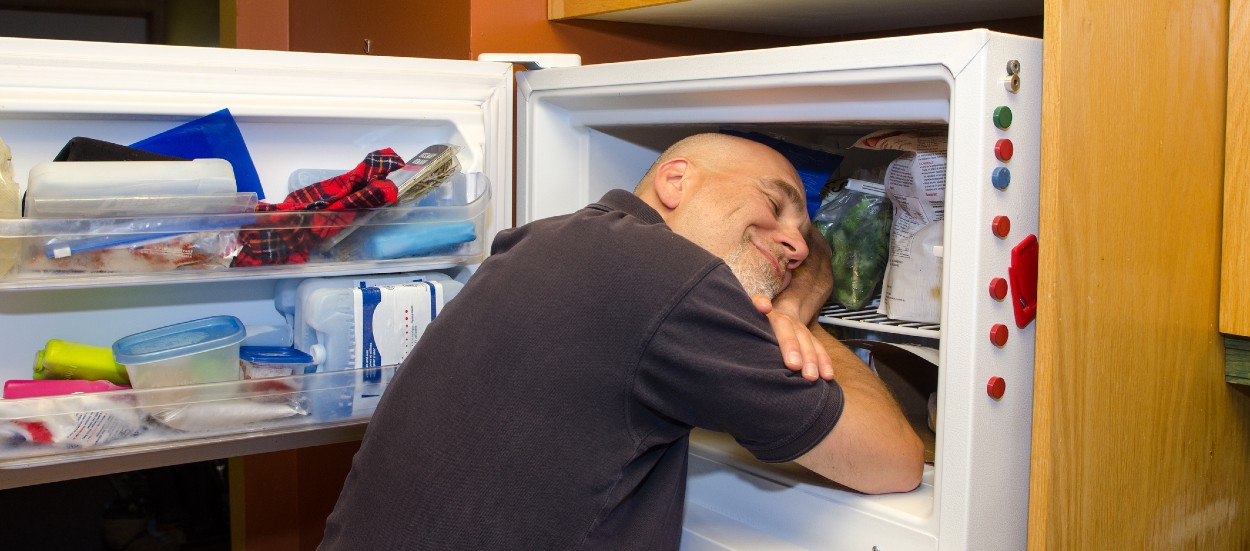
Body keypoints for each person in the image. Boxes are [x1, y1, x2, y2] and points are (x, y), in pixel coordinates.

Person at [318, 133, 923, 550]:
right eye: (774, 204)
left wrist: (788, 303)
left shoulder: (551, 239)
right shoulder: (672, 278)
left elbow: (811, 259)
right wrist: (797, 320)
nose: (793, 244)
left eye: (801, 232)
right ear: (676, 180)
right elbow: (893, 460)